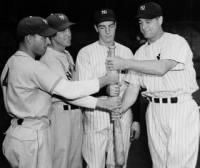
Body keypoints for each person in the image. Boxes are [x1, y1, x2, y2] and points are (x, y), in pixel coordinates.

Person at [0, 16, 121, 168]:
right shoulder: (33, 66)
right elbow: (68, 90)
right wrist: (105, 81)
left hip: (19, 130)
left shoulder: (12, 62)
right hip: (32, 132)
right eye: (43, 37)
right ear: (29, 38)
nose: (47, 41)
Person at [106, 2, 200, 168]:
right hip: (154, 111)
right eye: (141, 23)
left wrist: (125, 63)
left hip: (180, 108)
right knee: (158, 165)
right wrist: (119, 109)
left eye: (148, 22)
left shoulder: (176, 42)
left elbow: (161, 68)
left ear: (160, 20)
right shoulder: (141, 52)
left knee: (179, 164)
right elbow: (133, 88)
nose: (144, 27)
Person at [40, 13, 121, 168]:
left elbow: (78, 88)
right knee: (60, 162)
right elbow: (69, 93)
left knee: (75, 163)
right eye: (62, 31)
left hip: (75, 115)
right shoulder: (48, 59)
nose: (68, 34)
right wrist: (102, 101)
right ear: (50, 34)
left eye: (69, 29)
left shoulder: (66, 54)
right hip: (59, 115)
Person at [76, 9, 140, 168]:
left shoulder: (126, 52)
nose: (107, 31)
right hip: (96, 112)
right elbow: (82, 88)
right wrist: (105, 90)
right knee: (94, 163)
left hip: (123, 112)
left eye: (111, 26)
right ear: (96, 28)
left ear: (116, 26)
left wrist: (136, 120)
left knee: (119, 163)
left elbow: (134, 85)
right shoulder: (86, 53)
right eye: (103, 27)